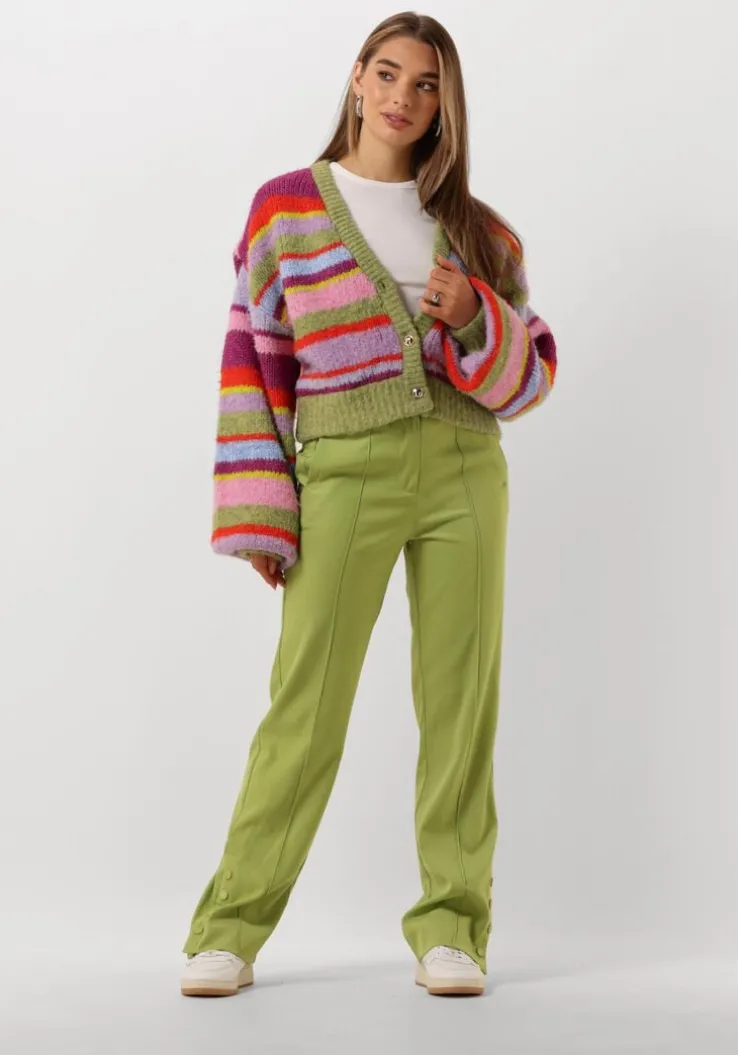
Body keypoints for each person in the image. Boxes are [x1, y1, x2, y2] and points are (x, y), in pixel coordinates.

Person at [180, 10, 557, 999]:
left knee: (460, 706)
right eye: (387, 74)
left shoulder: (481, 232)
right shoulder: (286, 209)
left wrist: (475, 316)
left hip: (465, 470)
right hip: (342, 472)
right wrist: (263, 511)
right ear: (356, 79)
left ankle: (453, 926)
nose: (402, 98)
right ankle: (231, 926)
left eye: (426, 85)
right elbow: (253, 359)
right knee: (305, 708)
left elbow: (528, 379)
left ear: (445, 106)